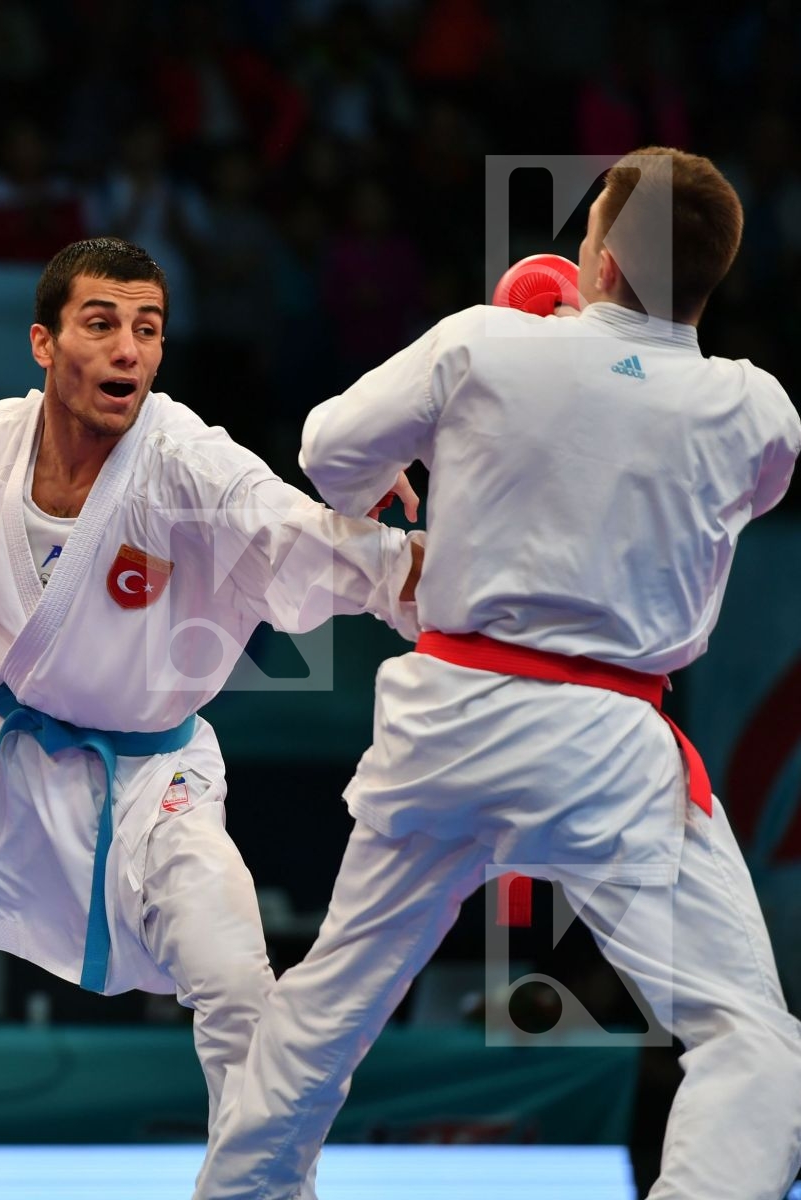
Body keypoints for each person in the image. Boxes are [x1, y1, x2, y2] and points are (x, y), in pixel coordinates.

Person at [0, 237, 425, 1199]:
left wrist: (442, 573)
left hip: (153, 790)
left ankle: (266, 1193)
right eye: (101, 324)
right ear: (44, 343)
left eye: (148, 329)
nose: (128, 350)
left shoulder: (191, 466)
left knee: (241, 993)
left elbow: (306, 539)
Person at [196, 148, 801, 1200]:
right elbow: (700, 477)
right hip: (609, 752)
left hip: (450, 728)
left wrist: (461, 439)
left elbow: (327, 450)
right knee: (747, 1034)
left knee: (325, 1011)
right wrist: (579, 362)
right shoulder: (758, 411)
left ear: (602, 262)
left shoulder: (484, 342)